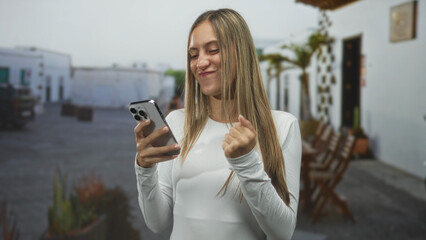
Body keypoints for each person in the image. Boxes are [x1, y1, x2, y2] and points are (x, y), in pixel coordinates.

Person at [134, 8, 301, 240]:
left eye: (213, 50)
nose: (200, 63)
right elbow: (156, 222)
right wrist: (144, 169)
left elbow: (283, 232)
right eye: (193, 55)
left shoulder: (283, 126)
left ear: (242, 54)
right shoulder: (176, 122)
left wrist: (246, 162)